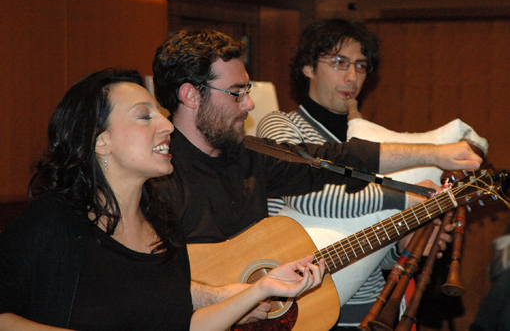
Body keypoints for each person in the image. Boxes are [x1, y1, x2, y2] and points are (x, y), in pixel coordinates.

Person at [151, 29, 482, 325]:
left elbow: (335, 160)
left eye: (247, 90)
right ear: (190, 95)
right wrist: (231, 298)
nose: (250, 104)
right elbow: (141, 280)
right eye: (236, 92)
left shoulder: (248, 156)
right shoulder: (153, 179)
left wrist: (433, 153)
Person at [0, 68, 326, 331]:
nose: (167, 125)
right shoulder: (53, 221)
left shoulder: (162, 222)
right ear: (101, 142)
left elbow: (183, 324)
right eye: (145, 117)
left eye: (161, 114)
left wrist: (262, 288)